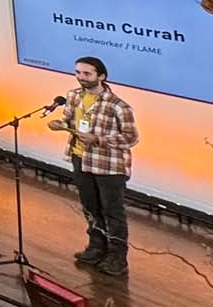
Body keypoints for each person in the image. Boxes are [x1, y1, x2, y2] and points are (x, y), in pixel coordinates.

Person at [46, 56, 139, 277]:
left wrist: (98, 140)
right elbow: (71, 121)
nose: (81, 78)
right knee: (90, 207)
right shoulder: (73, 96)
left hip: (109, 166)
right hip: (80, 159)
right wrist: (61, 125)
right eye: (78, 72)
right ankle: (97, 247)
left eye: (86, 74)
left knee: (112, 211)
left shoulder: (118, 106)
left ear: (101, 76)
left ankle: (117, 257)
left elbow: (131, 137)